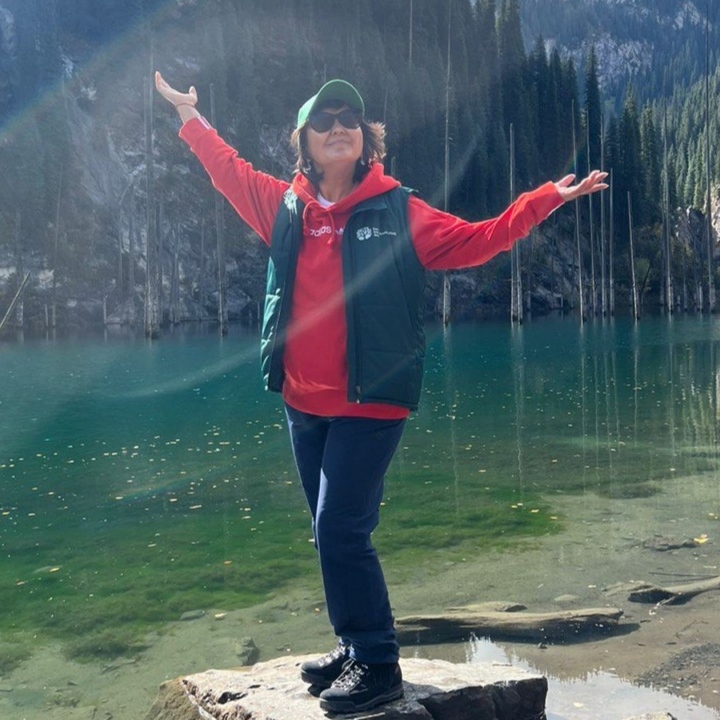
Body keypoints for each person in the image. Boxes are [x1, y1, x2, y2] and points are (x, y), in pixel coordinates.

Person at [154, 71, 607, 714]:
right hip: (302, 403)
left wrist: (542, 201)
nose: (338, 127)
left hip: (371, 401)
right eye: (324, 120)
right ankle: (352, 644)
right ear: (304, 142)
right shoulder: (284, 207)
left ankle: (377, 663)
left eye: (350, 119)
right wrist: (188, 116)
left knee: (342, 527)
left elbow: (477, 241)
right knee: (328, 531)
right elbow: (227, 169)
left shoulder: (399, 210)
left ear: (366, 139)